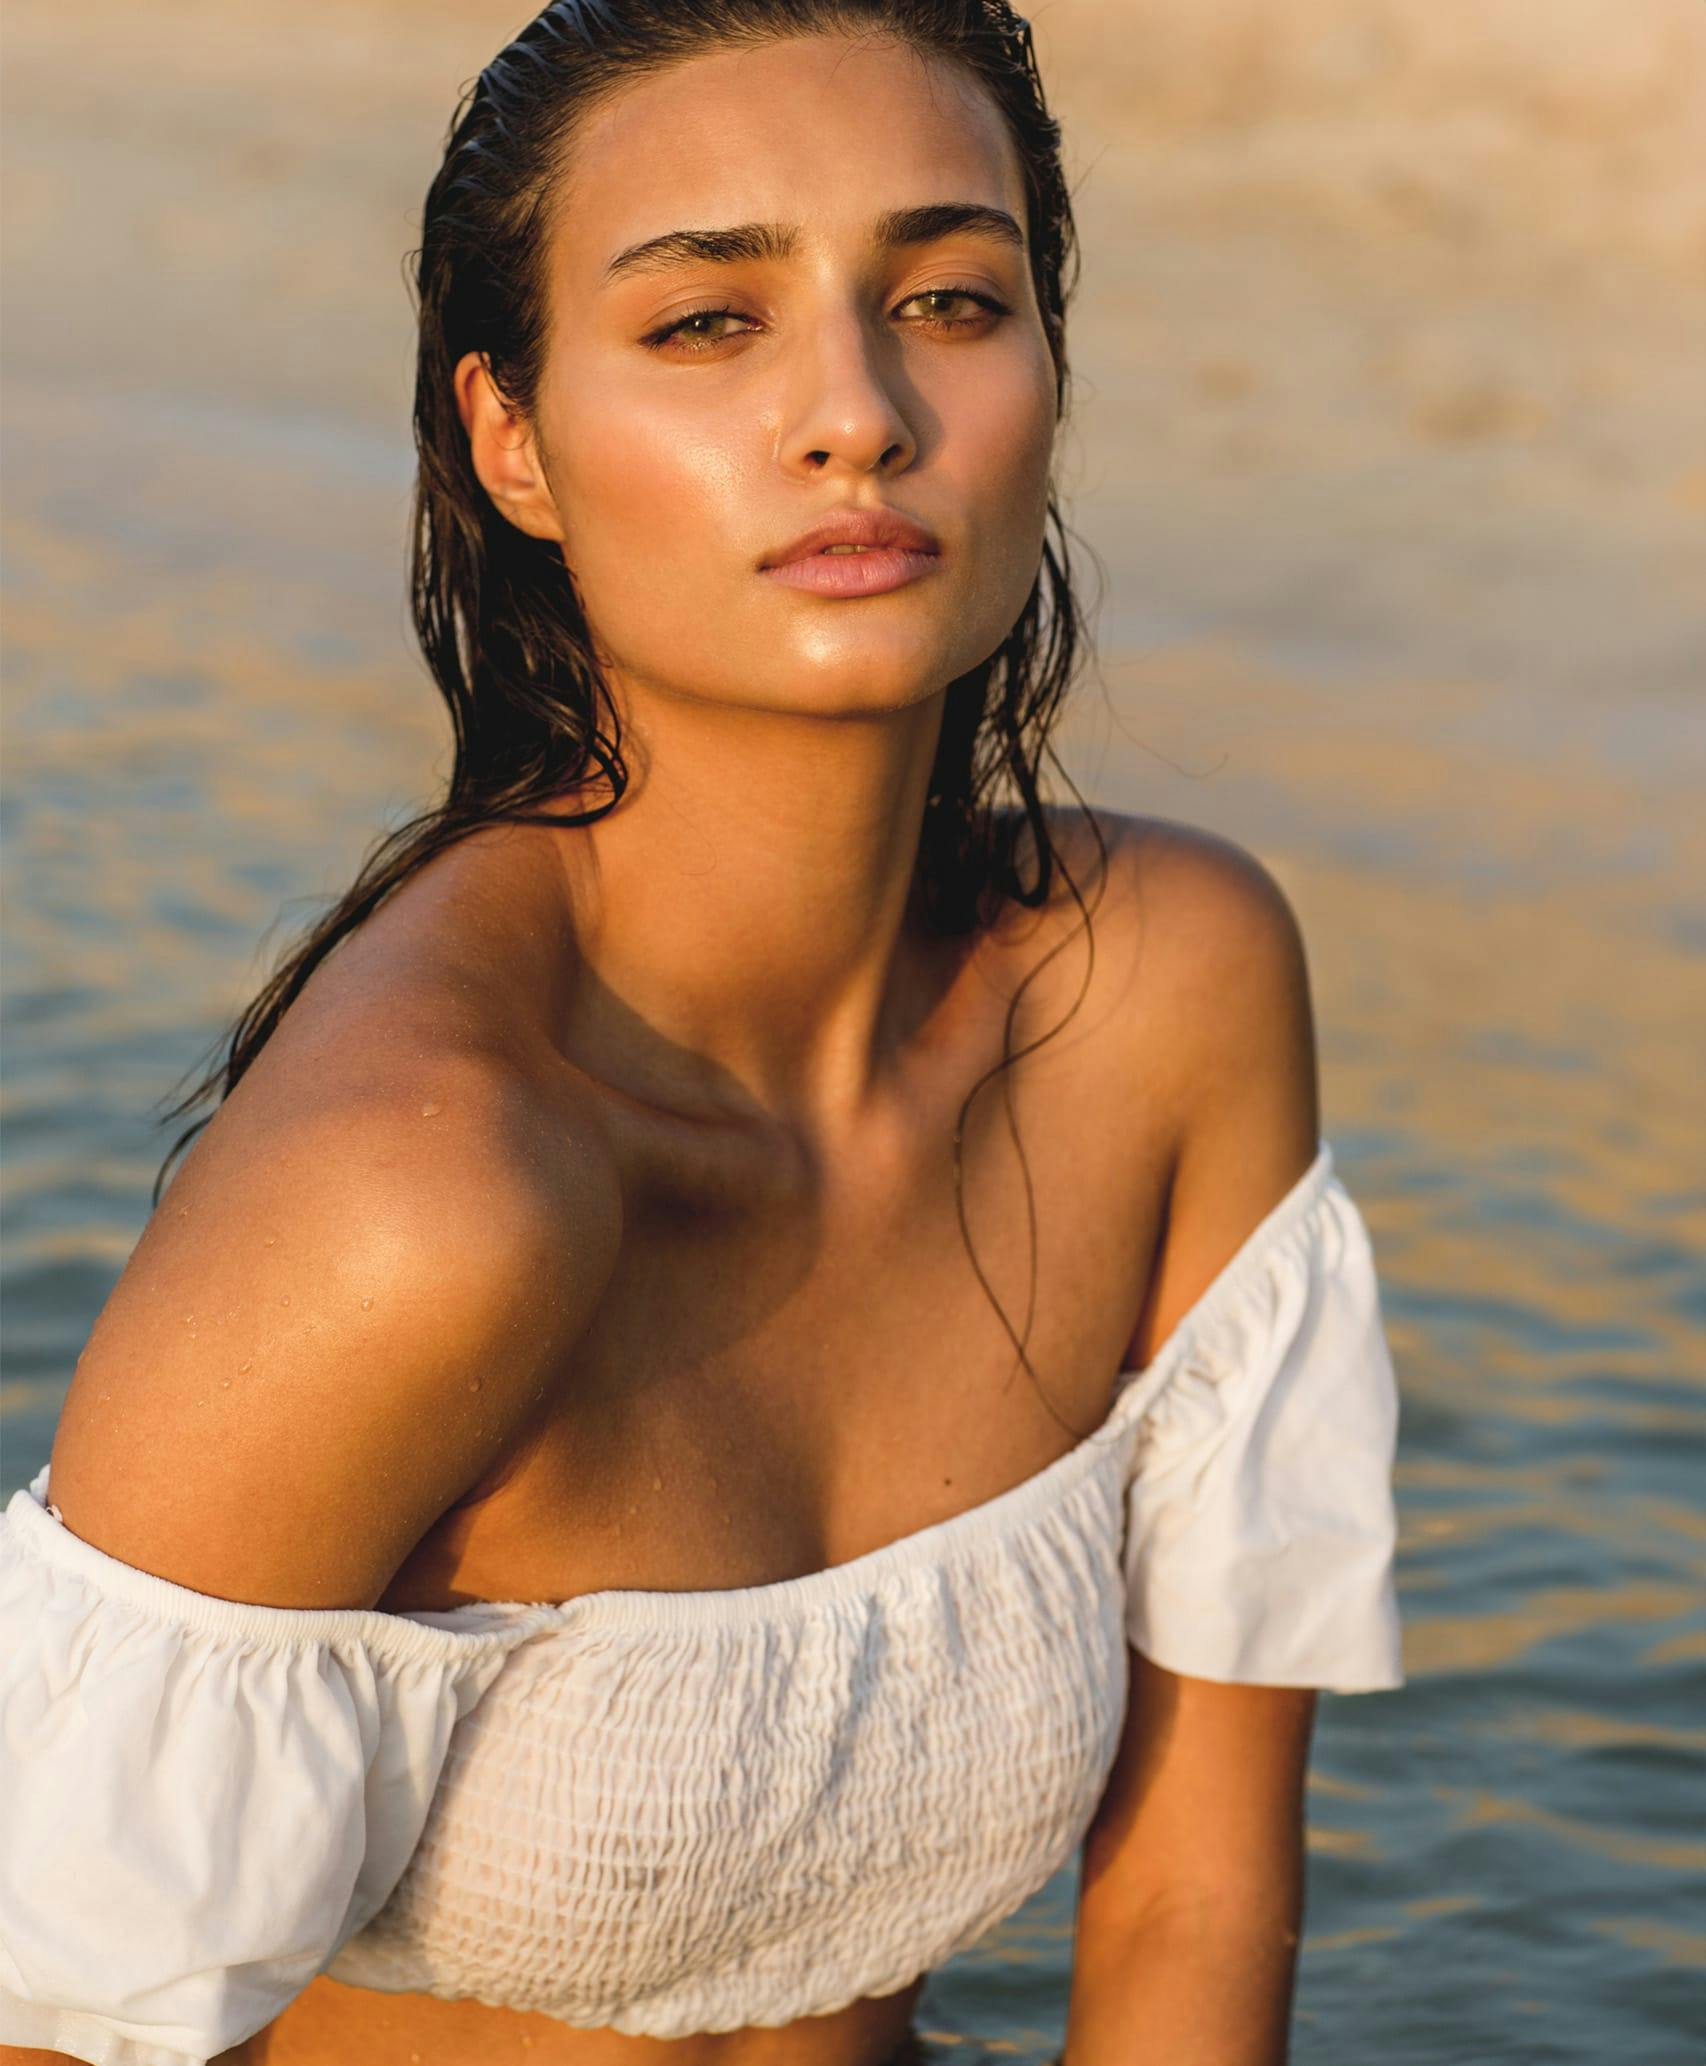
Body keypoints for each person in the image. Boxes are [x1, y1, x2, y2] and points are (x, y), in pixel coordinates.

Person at [0, 4, 1404, 2063]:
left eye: (947, 297)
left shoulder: (1165, 992)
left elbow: (1193, 1896)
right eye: (703, 325)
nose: (855, 412)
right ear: (511, 440)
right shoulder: (422, 1197)